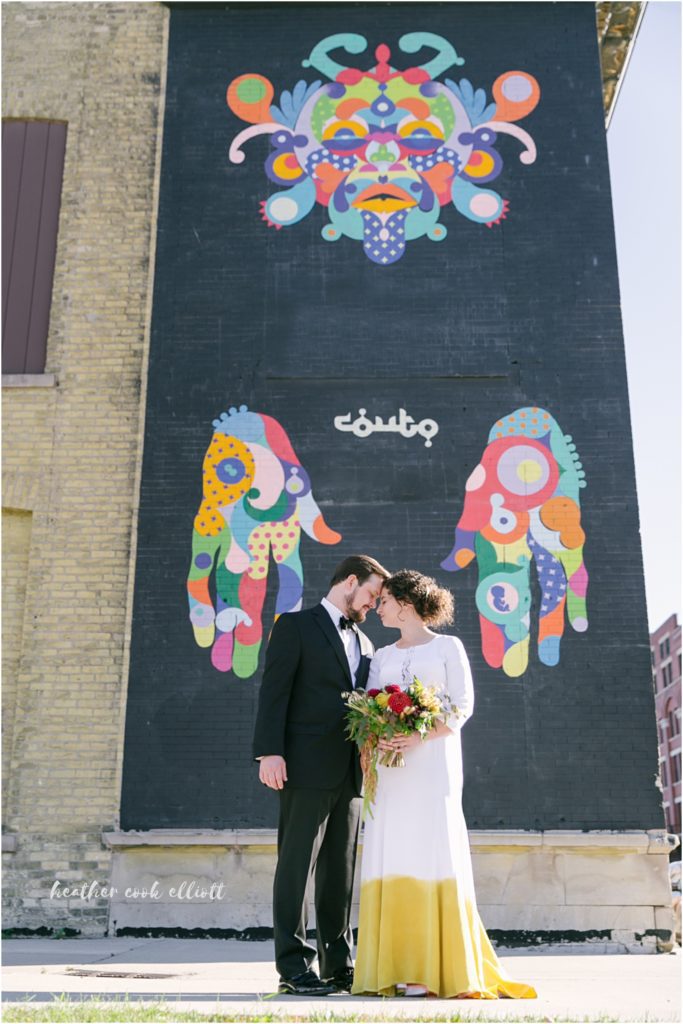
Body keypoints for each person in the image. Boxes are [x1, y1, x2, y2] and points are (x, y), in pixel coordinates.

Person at [351, 569, 537, 1000]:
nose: (378, 607)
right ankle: (395, 967)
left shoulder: (448, 646)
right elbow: (371, 705)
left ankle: (436, 969)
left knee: (432, 851)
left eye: (385, 600)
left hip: (434, 765)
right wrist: (382, 731)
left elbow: (462, 705)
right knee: (392, 851)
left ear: (407, 602)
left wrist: (419, 734)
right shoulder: (380, 656)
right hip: (392, 770)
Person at [253, 554, 390, 996]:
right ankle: (292, 968)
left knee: (339, 873)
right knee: (296, 867)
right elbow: (274, 693)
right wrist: (269, 753)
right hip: (303, 766)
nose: (372, 606)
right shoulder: (294, 626)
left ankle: (338, 964)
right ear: (350, 582)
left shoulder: (367, 645)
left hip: (349, 773)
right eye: (370, 595)